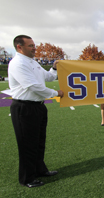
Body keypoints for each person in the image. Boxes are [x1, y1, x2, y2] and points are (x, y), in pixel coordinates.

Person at [8, 35, 64, 188]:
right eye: (31, 46)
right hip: (24, 108)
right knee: (27, 145)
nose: (34, 48)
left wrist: (53, 67)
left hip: (38, 106)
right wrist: (56, 93)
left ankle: (40, 170)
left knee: (39, 142)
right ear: (20, 47)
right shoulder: (18, 63)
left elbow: (49, 77)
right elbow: (33, 86)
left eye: (34, 45)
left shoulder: (33, 62)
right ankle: (27, 178)